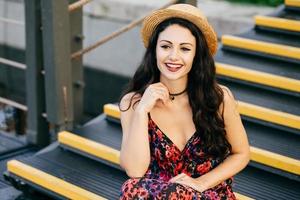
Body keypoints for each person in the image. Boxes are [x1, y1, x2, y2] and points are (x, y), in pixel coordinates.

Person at [118, 3, 250, 199]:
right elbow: (135, 171)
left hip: (207, 192)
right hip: (157, 194)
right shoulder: (134, 103)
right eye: (165, 46)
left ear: (196, 55)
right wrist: (142, 111)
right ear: (154, 50)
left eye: (185, 49)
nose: (173, 56)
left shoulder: (218, 98)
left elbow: (241, 154)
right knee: (133, 187)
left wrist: (200, 183)